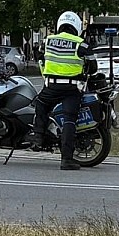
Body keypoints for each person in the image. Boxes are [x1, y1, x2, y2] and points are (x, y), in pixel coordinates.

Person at [27, 11, 96, 171]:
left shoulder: (47, 41)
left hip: (52, 86)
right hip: (72, 88)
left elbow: (40, 58)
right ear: (76, 26)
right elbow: (93, 68)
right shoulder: (82, 44)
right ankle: (66, 160)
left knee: (41, 105)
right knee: (69, 120)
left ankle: (38, 136)